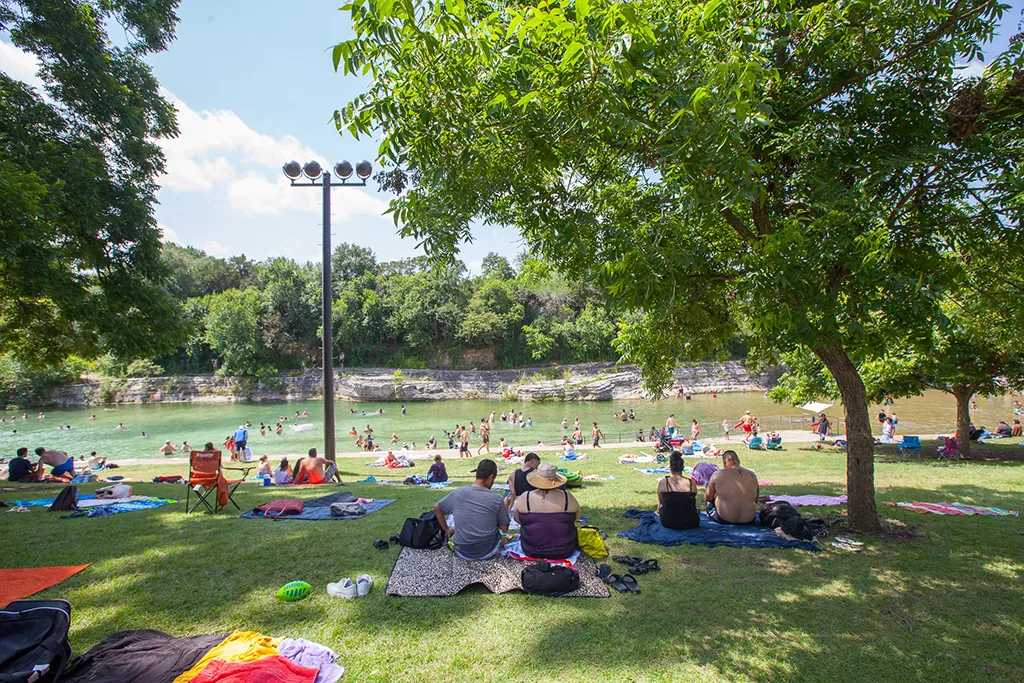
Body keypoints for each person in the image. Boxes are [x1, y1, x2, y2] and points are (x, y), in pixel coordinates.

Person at [433, 459, 508, 561]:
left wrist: (446, 529)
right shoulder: (497, 499)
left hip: (462, 550)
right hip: (489, 550)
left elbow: (437, 508)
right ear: (491, 477)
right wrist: (506, 507)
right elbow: (504, 528)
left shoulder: (457, 493)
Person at [513, 461, 580, 559]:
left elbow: (516, 519)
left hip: (531, 550)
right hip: (565, 550)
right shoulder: (567, 497)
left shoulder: (525, 497)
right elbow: (576, 519)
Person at [704, 451, 758, 524]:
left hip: (725, 518)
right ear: (738, 461)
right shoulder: (752, 475)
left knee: (712, 498)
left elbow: (708, 498)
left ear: (724, 462)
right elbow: (756, 499)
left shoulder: (717, 475)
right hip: (749, 519)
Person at [657, 451, 700, 530]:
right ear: (683, 468)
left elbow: (662, 502)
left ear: (670, 468)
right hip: (691, 522)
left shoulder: (663, 482)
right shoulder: (691, 483)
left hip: (669, 522)